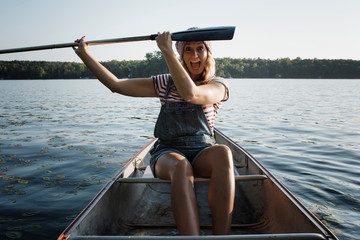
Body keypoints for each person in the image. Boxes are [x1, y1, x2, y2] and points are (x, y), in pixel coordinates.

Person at [73, 30, 235, 236]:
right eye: (188, 50)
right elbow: (116, 85)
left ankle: (223, 236)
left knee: (223, 153)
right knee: (181, 167)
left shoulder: (218, 85)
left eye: (200, 49)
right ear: (182, 55)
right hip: (168, 153)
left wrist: (167, 50)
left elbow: (190, 94)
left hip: (203, 151)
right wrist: (84, 55)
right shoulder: (164, 83)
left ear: (208, 53)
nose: (194, 56)